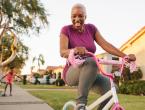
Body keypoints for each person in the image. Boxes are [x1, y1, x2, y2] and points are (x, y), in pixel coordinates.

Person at [59, 3, 136, 110]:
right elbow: (62, 52)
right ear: (70, 17)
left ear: (85, 16)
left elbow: (106, 45)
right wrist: (75, 50)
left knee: (111, 89)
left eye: (80, 16)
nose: (77, 19)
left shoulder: (91, 29)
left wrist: (125, 56)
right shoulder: (66, 30)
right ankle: (80, 105)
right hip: (72, 71)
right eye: (74, 16)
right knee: (91, 61)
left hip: (90, 70)